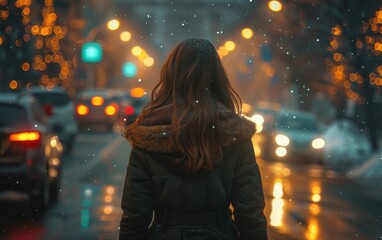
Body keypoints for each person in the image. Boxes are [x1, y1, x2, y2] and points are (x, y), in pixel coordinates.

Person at [119, 38, 268, 240]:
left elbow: (135, 217)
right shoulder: (235, 134)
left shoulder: (148, 135)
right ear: (217, 78)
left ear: (171, 76)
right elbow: (250, 213)